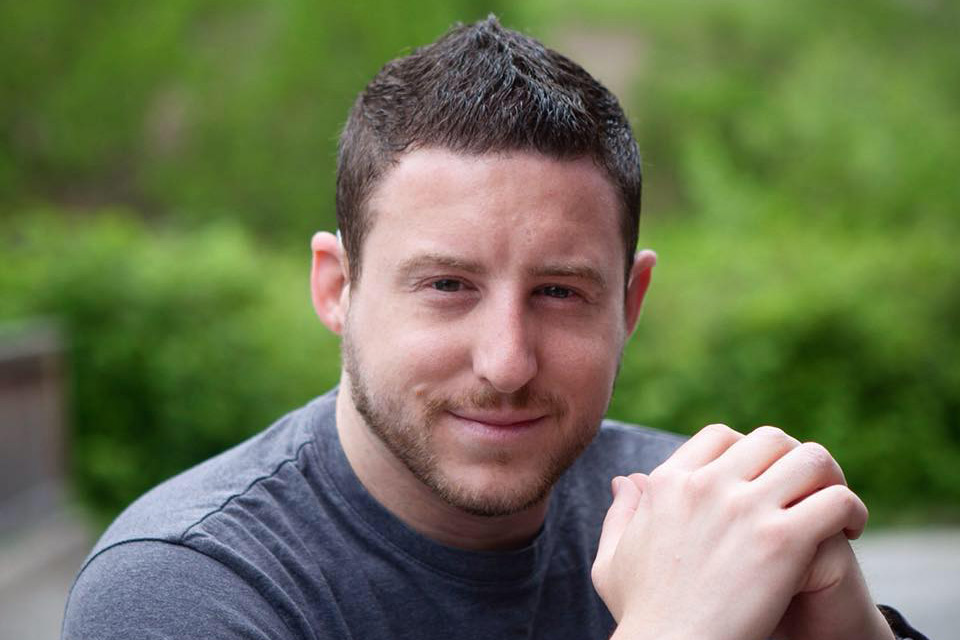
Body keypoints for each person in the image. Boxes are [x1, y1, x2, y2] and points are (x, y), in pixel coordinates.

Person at [62, 16, 927, 640]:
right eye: (446, 285)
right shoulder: (184, 586)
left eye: (558, 292)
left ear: (630, 303)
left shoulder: (695, 519)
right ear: (337, 287)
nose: (507, 361)